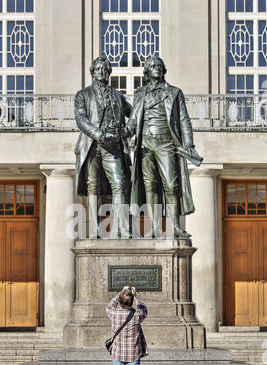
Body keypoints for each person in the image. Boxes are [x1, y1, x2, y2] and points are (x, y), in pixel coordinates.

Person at [124, 56, 203, 238]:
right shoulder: (140, 94)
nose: (157, 68)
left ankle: (175, 225)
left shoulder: (175, 92)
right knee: (149, 185)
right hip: (145, 143)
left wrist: (189, 144)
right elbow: (134, 119)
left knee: (170, 184)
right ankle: (153, 227)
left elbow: (184, 120)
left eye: (159, 66)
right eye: (153, 66)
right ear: (146, 72)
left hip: (166, 142)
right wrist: (123, 134)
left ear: (164, 70)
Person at [74, 56, 132, 238]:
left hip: (113, 147)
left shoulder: (118, 95)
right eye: (97, 69)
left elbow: (135, 114)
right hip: (92, 145)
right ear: (92, 72)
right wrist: (98, 134)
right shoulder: (83, 95)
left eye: (104, 69)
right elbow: (81, 119)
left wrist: (126, 132)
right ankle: (95, 228)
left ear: (109, 72)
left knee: (120, 184)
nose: (101, 72)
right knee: (93, 186)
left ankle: (121, 227)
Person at [106, 286, 148, 365]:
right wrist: (135, 296)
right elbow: (144, 309)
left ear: (120, 301)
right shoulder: (137, 316)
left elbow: (109, 306)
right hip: (133, 353)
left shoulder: (114, 314)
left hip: (118, 353)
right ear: (131, 302)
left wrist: (121, 292)